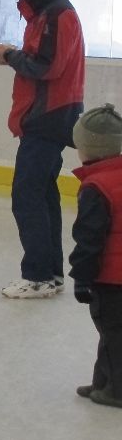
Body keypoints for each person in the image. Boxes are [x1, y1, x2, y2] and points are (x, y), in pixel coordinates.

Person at [0, 0, 85, 298]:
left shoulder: (59, 14)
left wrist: (10, 56)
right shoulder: (45, 14)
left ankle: (38, 276)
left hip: (49, 117)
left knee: (27, 195)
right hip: (45, 115)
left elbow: (47, 67)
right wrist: (15, 56)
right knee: (43, 194)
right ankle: (51, 274)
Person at [69, 103, 122, 408]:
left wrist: (82, 278)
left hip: (111, 279)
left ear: (87, 149)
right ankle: (102, 382)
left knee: (113, 333)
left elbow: (89, 238)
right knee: (112, 332)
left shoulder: (96, 186)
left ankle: (117, 390)